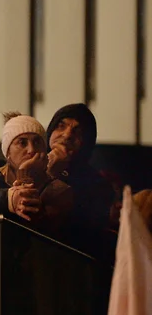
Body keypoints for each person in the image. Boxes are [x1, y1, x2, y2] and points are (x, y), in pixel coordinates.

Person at [45, 103, 117, 252]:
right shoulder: (26, 167)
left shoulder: (98, 185)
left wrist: (55, 175)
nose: (67, 135)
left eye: (77, 131)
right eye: (61, 126)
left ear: (86, 143)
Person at [0, 112, 73, 234]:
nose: (31, 150)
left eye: (37, 142)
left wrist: (25, 176)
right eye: (22, 143)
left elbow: (29, 231)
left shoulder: (59, 190)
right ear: (7, 152)